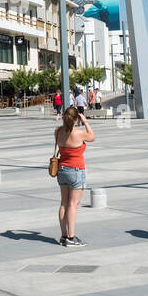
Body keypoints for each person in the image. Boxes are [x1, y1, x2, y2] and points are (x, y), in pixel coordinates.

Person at [54, 105, 95, 247]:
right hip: (76, 170)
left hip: (62, 170)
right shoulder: (79, 133)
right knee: (73, 204)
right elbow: (92, 137)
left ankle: (63, 235)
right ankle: (71, 237)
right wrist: (86, 121)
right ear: (76, 118)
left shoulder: (58, 131)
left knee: (63, 203)